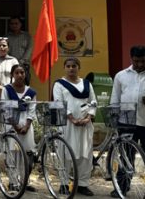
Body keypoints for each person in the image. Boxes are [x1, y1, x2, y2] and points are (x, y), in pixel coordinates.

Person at [52, 57, 96, 196]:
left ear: (78, 67)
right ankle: (64, 183)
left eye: (74, 66)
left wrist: (88, 117)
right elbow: (59, 103)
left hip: (85, 124)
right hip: (67, 125)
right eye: (68, 66)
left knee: (85, 154)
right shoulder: (59, 84)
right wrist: (72, 118)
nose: (71, 68)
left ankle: (83, 184)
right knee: (65, 153)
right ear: (64, 68)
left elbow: (93, 102)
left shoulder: (87, 84)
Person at [109, 45, 145, 198]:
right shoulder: (121, 76)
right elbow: (115, 99)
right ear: (131, 59)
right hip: (126, 122)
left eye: (143, 61)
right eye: (137, 61)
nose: (140, 65)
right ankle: (121, 187)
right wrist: (114, 119)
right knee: (125, 156)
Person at [1, 64, 37, 192]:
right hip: (11, 125)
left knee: (26, 155)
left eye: (22, 72)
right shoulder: (6, 90)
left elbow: (32, 110)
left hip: (26, 126)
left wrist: (26, 125)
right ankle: (12, 182)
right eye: (17, 73)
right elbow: (5, 109)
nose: (20, 75)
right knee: (12, 154)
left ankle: (24, 181)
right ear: (12, 75)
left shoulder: (31, 92)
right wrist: (15, 126)